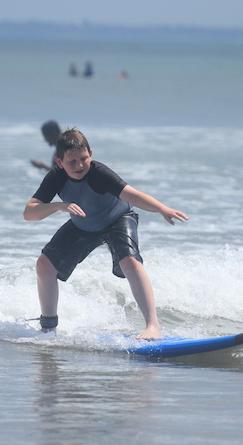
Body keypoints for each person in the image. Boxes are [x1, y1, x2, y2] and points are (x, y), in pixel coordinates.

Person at [23, 128, 188, 339]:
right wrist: (57, 206)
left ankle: (153, 327)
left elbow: (133, 195)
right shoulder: (55, 177)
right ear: (59, 162)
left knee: (130, 261)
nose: (80, 165)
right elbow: (29, 213)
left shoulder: (99, 173)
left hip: (117, 220)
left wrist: (162, 209)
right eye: (72, 162)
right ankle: (48, 328)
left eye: (83, 159)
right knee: (44, 265)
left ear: (90, 154)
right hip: (83, 224)